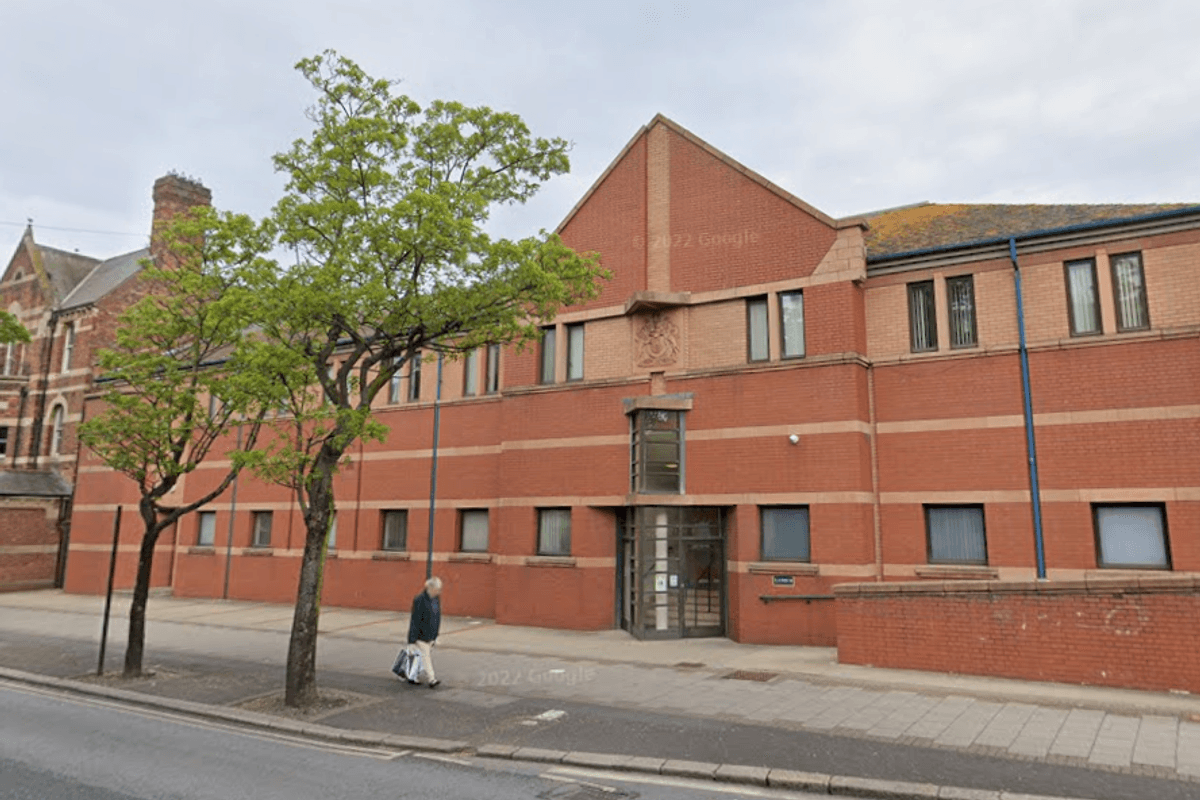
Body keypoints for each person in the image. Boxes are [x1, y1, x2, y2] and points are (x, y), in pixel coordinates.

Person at [406, 576, 442, 688]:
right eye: (436, 589)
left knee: (419, 658)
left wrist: (436, 634)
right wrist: (412, 638)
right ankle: (432, 679)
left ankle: (412, 676)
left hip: (431, 635)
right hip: (421, 635)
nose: (438, 591)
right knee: (426, 657)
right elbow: (415, 619)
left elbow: (437, 617)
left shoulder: (436, 599)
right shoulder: (420, 600)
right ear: (430, 588)